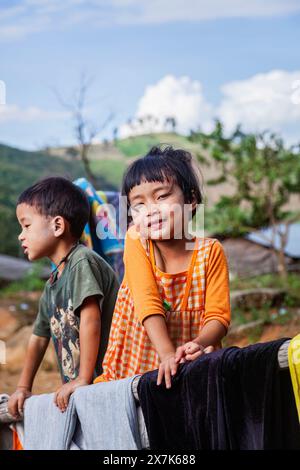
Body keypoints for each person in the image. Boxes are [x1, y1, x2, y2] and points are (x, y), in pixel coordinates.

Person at [94, 145, 231, 389]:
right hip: (134, 368)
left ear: (190, 200)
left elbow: (218, 316)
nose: (150, 210)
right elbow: (148, 303)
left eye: (162, 196)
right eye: (139, 204)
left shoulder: (210, 252)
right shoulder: (138, 241)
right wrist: (167, 354)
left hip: (189, 367)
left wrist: (200, 342)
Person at [8, 177, 119, 418]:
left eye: (26, 226)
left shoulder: (82, 262)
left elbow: (91, 319)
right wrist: (23, 388)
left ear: (58, 226)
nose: (20, 236)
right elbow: (38, 338)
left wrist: (83, 378)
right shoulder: (53, 284)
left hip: (106, 381)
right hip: (85, 387)